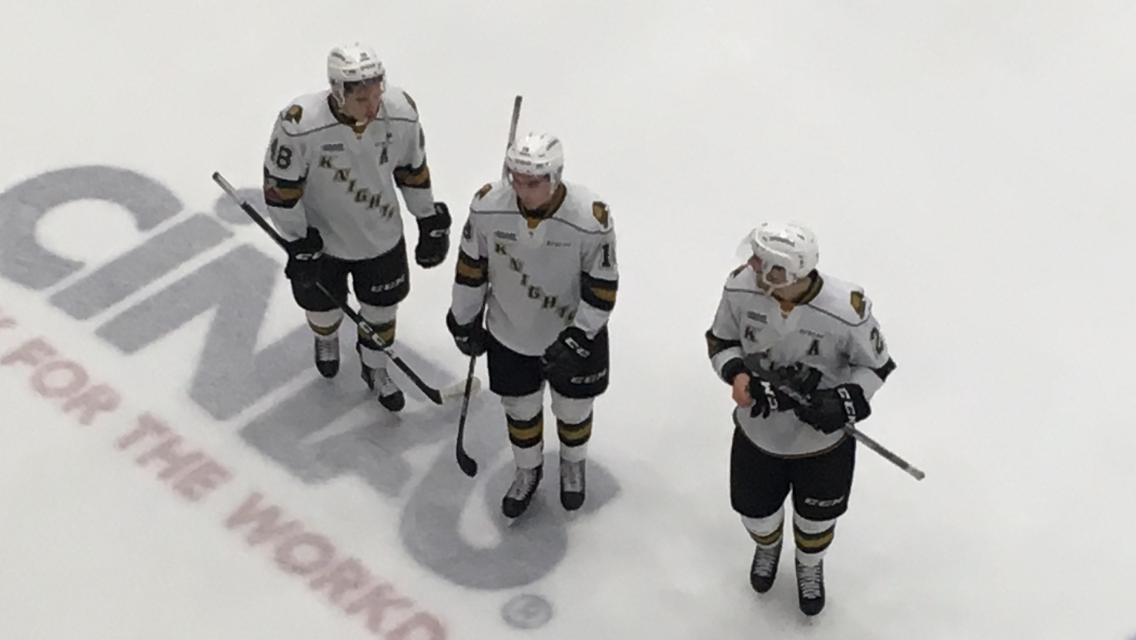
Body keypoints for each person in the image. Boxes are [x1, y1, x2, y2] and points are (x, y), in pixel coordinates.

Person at [704, 221, 896, 616]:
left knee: (816, 519)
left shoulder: (847, 310)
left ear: (786, 272)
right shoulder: (740, 288)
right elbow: (722, 340)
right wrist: (737, 375)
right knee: (755, 512)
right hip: (758, 433)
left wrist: (844, 400)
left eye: (763, 263)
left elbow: (876, 366)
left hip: (822, 445)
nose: (752, 266)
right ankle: (766, 547)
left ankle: (810, 565)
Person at [262, 43, 451, 412]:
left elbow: (411, 169)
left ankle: (375, 368)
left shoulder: (401, 113)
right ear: (338, 91)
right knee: (323, 310)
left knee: (382, 310)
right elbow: (280, 189)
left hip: (380, 235)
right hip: (324, 241)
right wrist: (297, 241)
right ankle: (326, 336)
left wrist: (427, 217)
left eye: (377, 92)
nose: (372, 105)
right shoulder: (299, 125)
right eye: (361, 97)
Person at [447, 132, 618, 518]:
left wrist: (578, 336)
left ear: (555, 178)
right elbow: (471, 268)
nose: (523, 190)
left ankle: (572, 463)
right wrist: (463, 318)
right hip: (511, 332)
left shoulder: (590, 219)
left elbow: (603, 285)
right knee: (519, 408)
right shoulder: (488, 207)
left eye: (534, 182)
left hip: (571, 336)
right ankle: (527, 469)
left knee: (574, 410)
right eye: (517, 179)